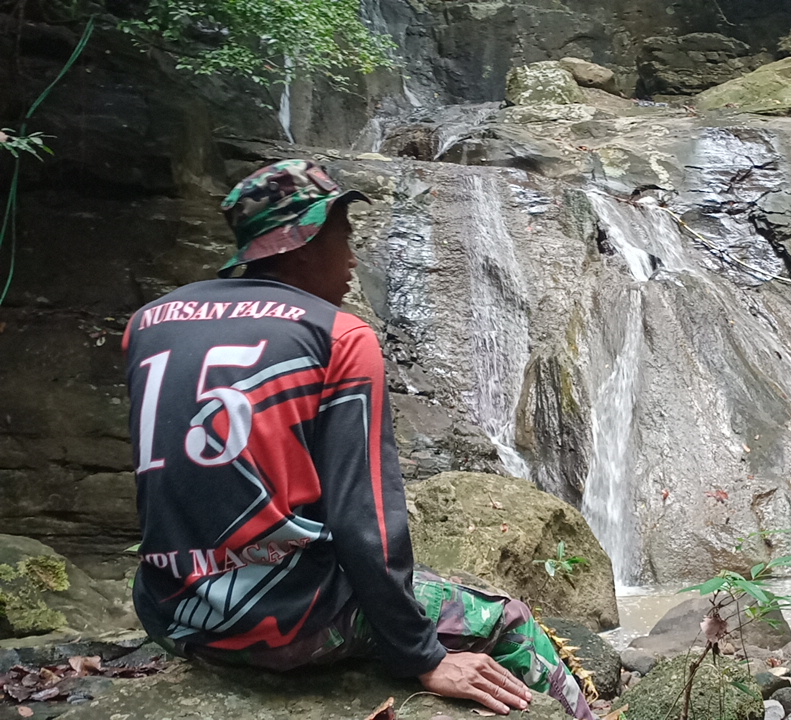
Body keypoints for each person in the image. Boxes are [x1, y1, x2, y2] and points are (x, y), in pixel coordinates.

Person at [122, 159, 592, 719]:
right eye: (343, 238)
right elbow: (364, 520)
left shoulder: (150, 322)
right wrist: (422, 655)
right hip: (285, 622)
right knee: (509, 620)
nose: (351, 260)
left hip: (170, 613)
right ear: (301, 245)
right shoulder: (338, 336)